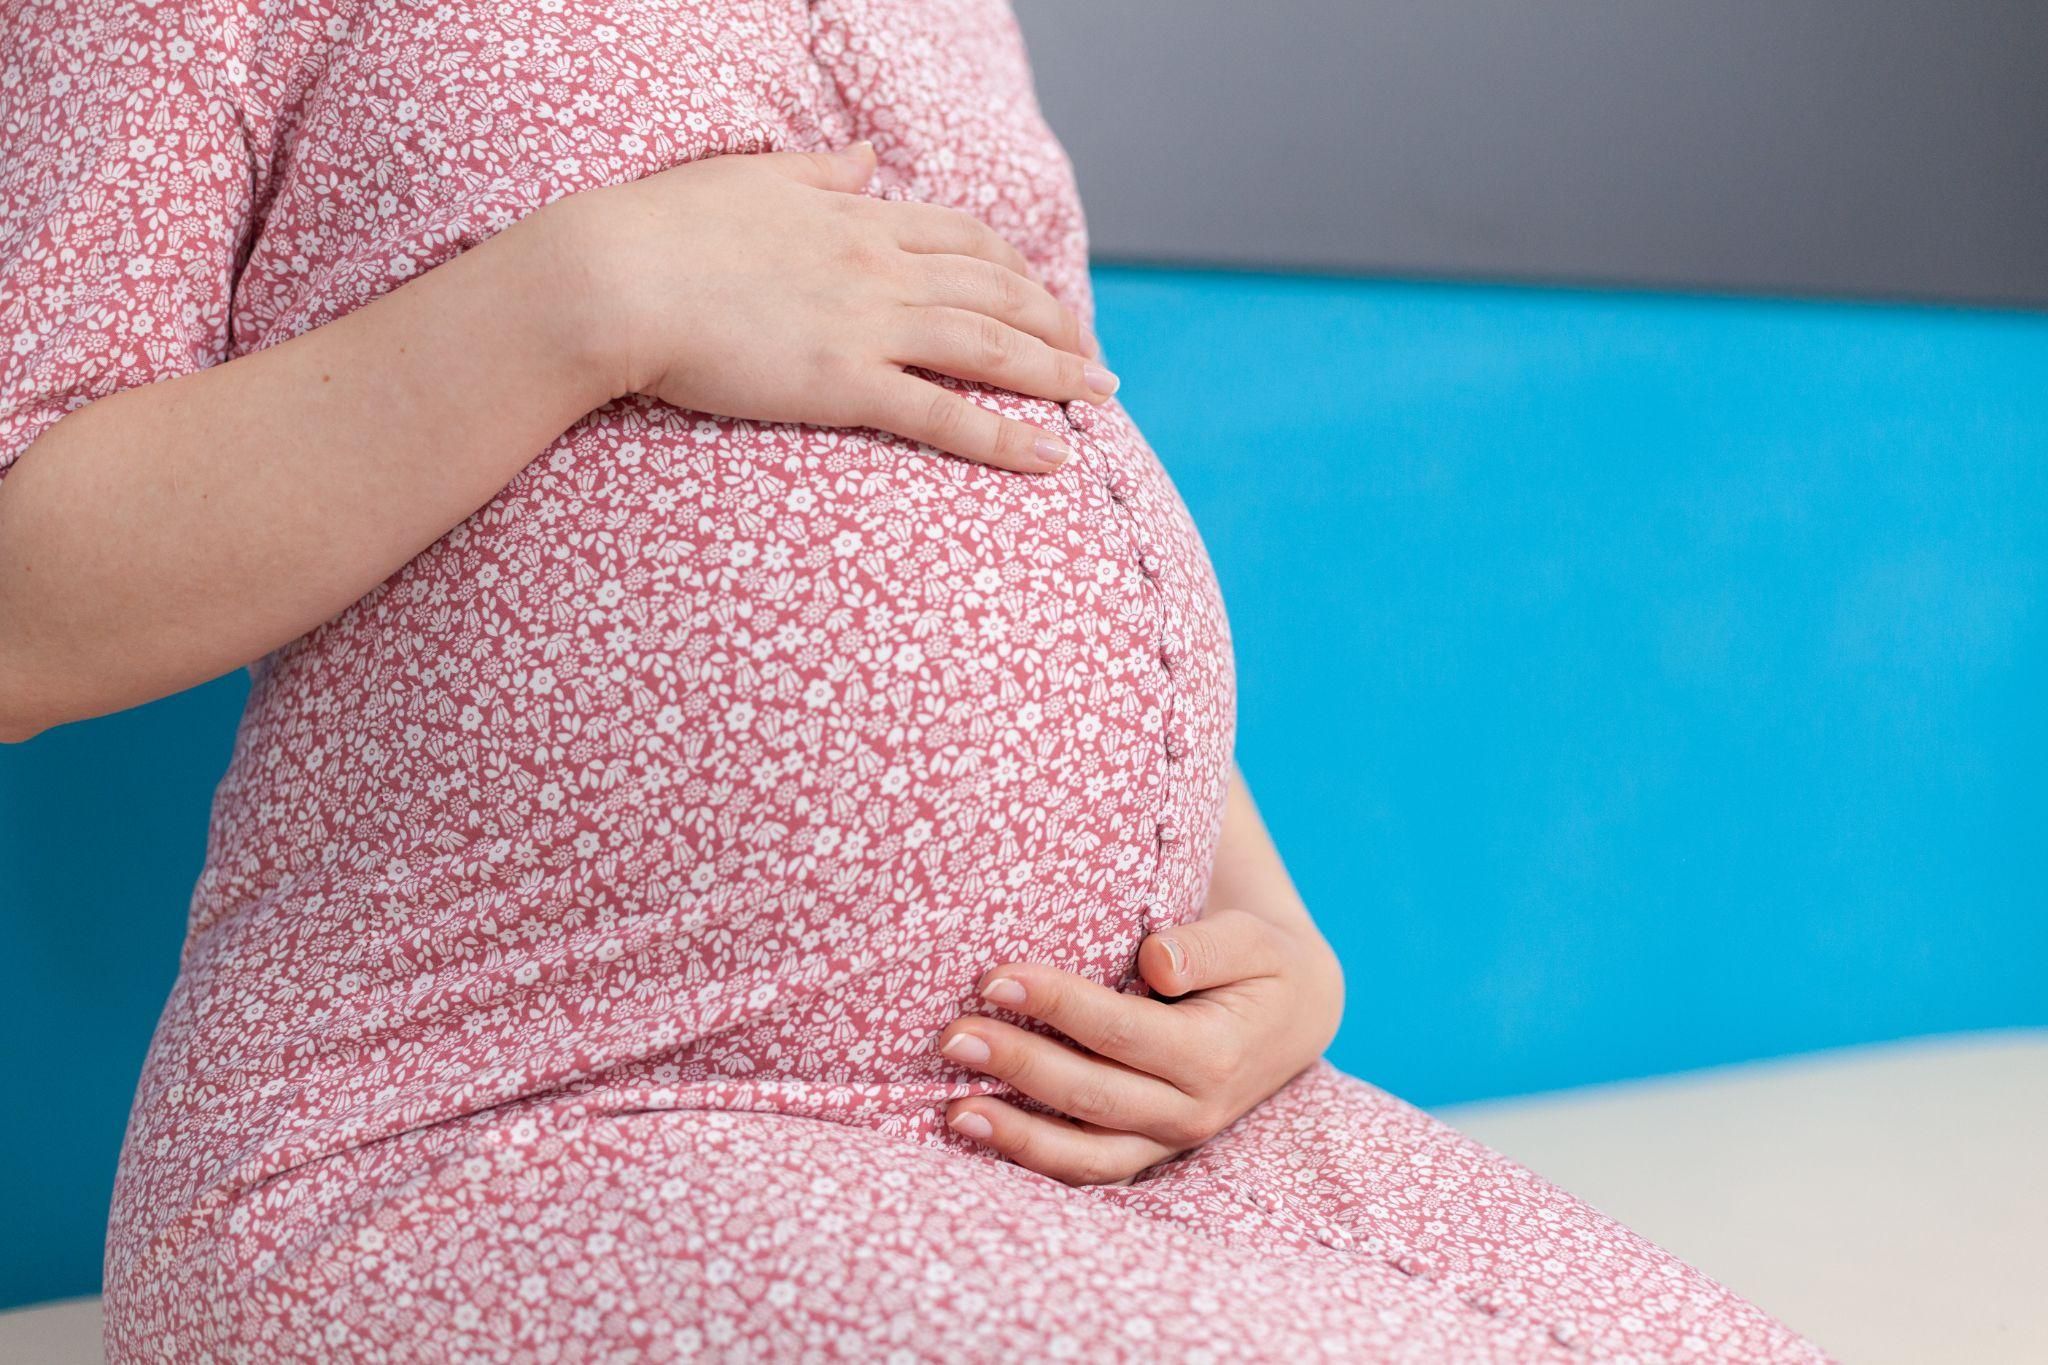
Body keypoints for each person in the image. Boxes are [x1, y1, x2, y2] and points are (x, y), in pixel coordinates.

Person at [0, 1, 1833, 1359]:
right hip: (496, 1132)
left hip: (1046, 1120)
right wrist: (579, 293)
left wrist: (1263, 943)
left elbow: (1039, 453)